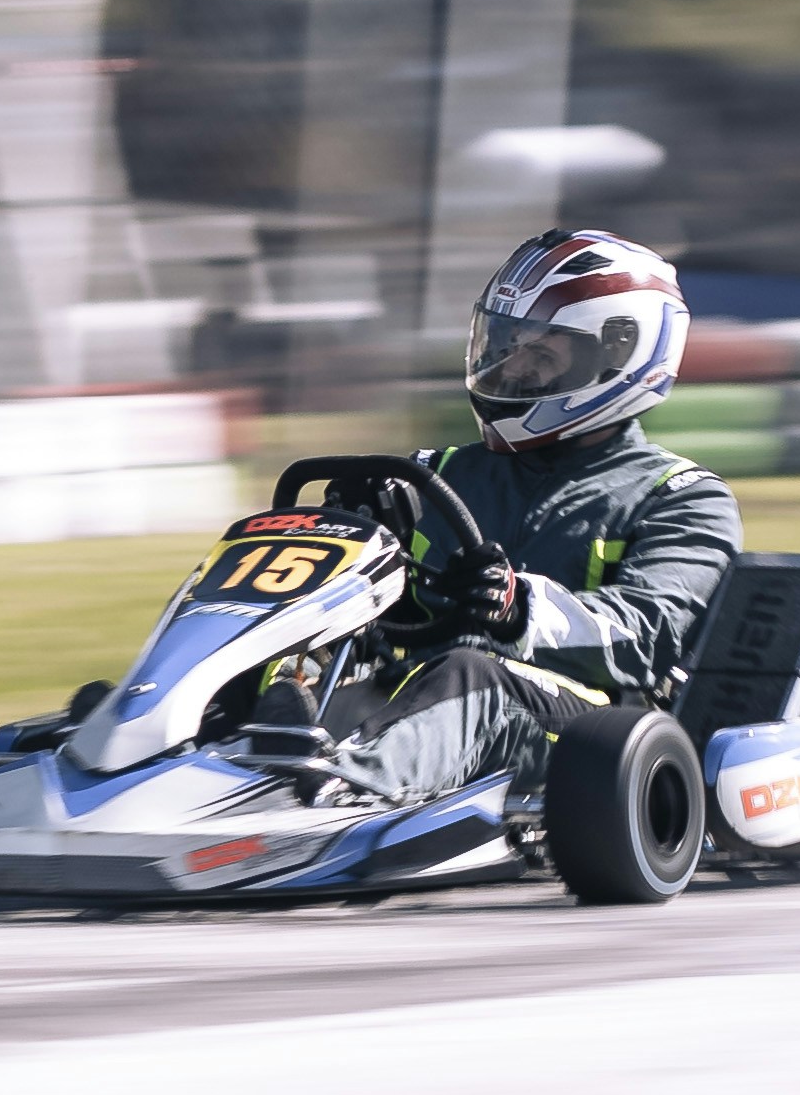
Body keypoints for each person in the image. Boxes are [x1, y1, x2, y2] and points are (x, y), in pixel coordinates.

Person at [304, 225, 744, 800]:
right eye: (506, 345)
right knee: (285, 651)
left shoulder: (680, 496)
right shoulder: (433, 475)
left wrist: (520, 608)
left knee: (471, 674)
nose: (511, 369)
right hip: (415, 696)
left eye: (541, 352)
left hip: (588, 729)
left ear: (616, 359)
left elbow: (647, 635)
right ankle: (207, 762)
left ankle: (340, 800)